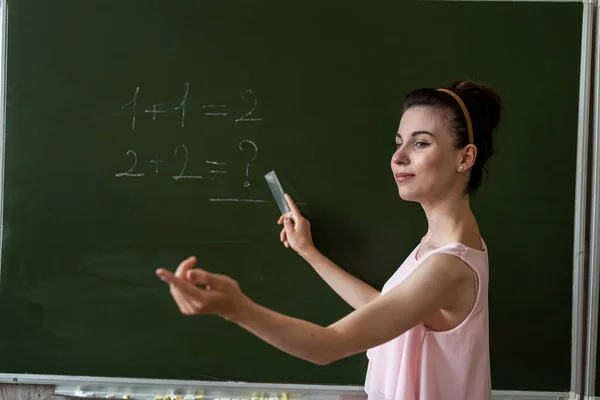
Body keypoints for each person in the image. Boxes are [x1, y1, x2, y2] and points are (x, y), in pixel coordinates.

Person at [155, 80, 502, 400]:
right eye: (399, 143)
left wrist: (235, 308)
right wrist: (310, 253)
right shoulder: (443, 245)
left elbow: (328, 345)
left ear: (465, 157)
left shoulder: (448, 265)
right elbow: (387, 310)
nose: (398, 157)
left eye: (421, 143)